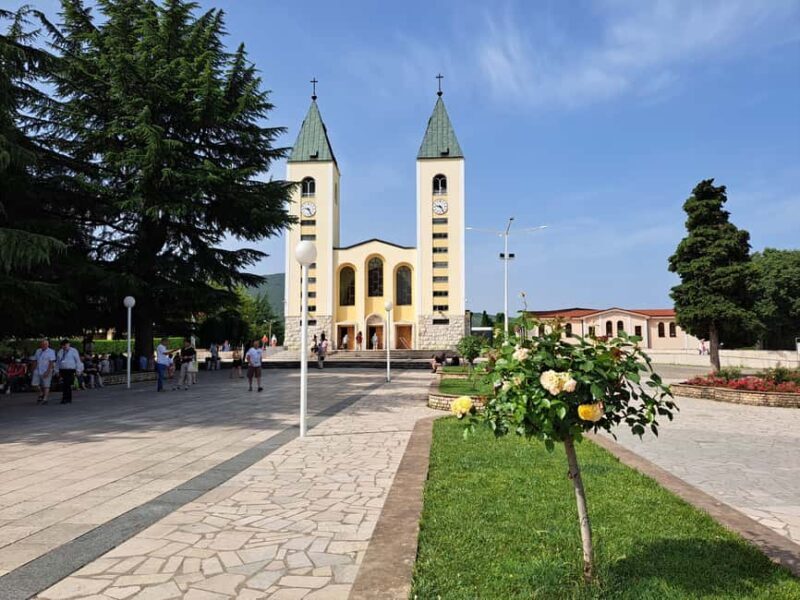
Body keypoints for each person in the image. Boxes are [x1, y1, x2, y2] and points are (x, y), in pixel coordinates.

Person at [56, 340, 82, 404]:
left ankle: (66, 398)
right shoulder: (60, 351)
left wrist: (78, 370)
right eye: (63, 345)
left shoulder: (73, 351)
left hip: (70, 370)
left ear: (68, 344)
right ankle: (67, 398)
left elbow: (78, 361)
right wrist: (56, 370)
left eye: (65, 345)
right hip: (63, 370)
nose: (64, 346)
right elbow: (58, 362)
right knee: (65, 384)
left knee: (67, 384)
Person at [32, 339, 56, 404]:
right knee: (34, 384)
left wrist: (48, 372)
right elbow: (35, 360)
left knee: (46, 385)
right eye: (42, 344)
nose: (44, 345)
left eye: (45, 344)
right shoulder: (38, 351)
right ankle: (41, 393)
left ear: (48, 345)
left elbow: (51, 362)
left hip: (46, 369)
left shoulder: (51, 351)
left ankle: (45, 399)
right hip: (37, 369)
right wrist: (33, 369)